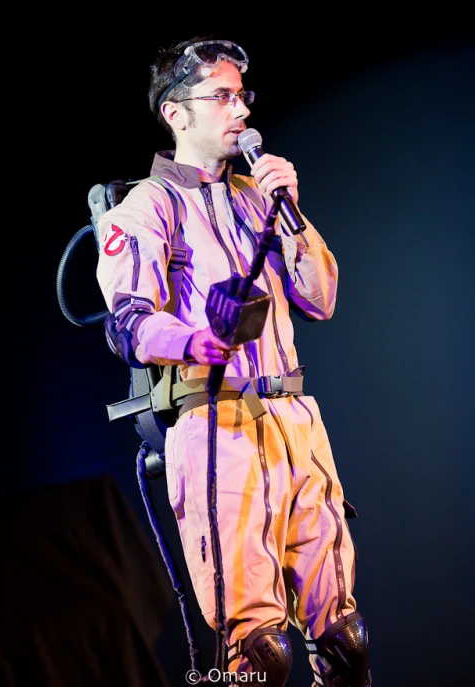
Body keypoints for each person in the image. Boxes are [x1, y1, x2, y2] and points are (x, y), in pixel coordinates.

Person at [96, 36, 371, 687]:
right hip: (218, 429)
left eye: (241, 94)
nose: (239, 108)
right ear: (177, 113)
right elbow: (128, 321)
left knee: (345, 636)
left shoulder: (258, 197)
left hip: (294, 424)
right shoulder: (148, 207)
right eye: (221, 95)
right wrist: (193, 339)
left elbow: (321, 296)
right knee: (262, 652)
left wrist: (293, 214)